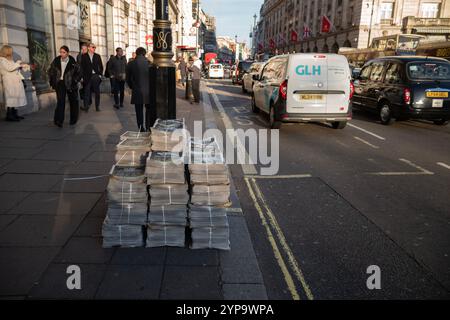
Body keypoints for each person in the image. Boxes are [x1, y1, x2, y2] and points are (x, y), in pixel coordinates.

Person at [48, 45, 81, 127]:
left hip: (71, 84)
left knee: (73, 102)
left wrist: (75, 80)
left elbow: (79, 72)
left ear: (67, 53)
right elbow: (50, 71)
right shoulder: (56, 60)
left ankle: (73, 119)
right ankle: (59, 120)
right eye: (61, 52)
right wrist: (52, 81)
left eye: (64, 52)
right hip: (60, 83)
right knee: (60, 102)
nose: (62, 54)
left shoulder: (73, 62)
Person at [126, 47, 155, 131]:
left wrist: (132, 87)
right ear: (144, 53)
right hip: (148, 91)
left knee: (139, 111)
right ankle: (148, 126)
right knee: (148, 110)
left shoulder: (131, 63)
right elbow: (153, 78)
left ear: (136, 53)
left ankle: (141, 127)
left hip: (137, 90)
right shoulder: (150, 63)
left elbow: (128, 78)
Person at [0, 45, 28, 121]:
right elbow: (9, 68)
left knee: (16, 97)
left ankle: (14, 114)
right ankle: (9, 115)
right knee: (11, 97)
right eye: (10, 51)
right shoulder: (2, 60)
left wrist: (21, 66)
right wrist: (18, 63)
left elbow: (14, 68)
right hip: (9, 81)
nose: (11, 53)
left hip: (15, 81)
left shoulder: (9, 60)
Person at [80, 43, 103, 112]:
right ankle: (86, 107)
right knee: (86, 92)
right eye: (93, 47)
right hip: (87, 77)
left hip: (95, 76)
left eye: (94, 47)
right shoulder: (84, 56)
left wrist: (99, 75)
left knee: (97, 92)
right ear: (89, 48)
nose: (94, 48)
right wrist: (82, 77)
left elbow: (101, 66)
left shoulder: (97, 56)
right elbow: (82, 68)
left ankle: (97, 107)